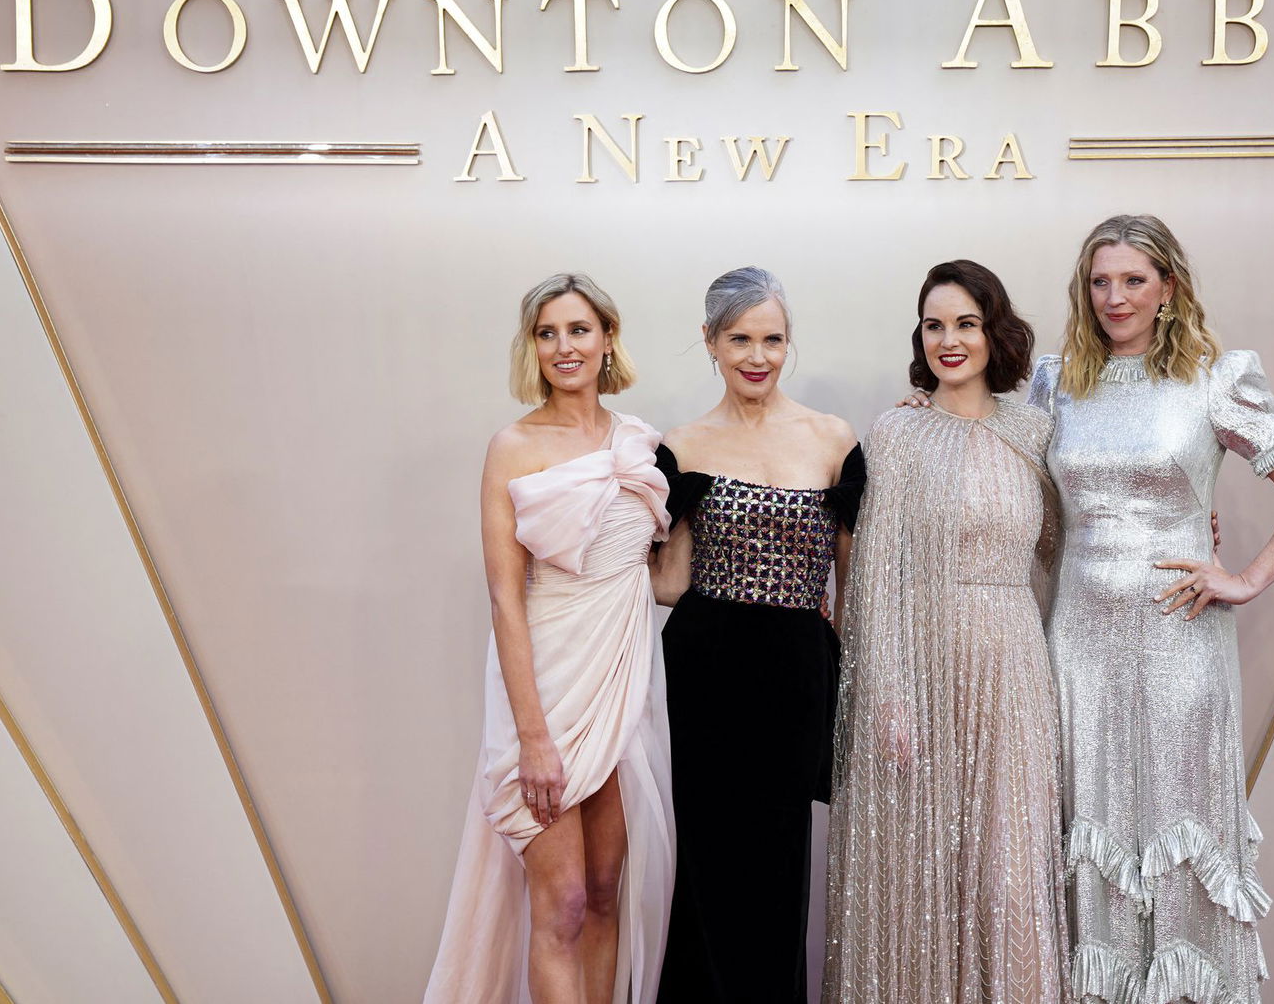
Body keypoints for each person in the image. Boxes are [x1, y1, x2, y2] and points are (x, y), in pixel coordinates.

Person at [1030, 215, 1274, 1004]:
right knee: (1087, 826)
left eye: (1133, 280)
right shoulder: (1055, 383)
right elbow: (1023, 491)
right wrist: (930, 408)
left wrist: (1246, 577)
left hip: (1180, 639)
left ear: (1168, 286)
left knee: (1180, 824)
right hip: (1076, 644)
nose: (1115, 297)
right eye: (1101, 281)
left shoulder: (1214, 380)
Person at [425, 274, 674, 1004]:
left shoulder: (639, 441)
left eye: (578, 329)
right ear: (532, 346)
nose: (564, 346)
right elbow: (505, 599)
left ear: (607, 339)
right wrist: (533, 738)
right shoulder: (512, 446)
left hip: (619, 690)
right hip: (546, 693)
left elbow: (657, 574)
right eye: (547, 332)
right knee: (560, 905)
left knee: (602, 891)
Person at [825, 260, 1069, 1003]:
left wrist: (1185, 524)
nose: (949, 340)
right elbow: (878, 577)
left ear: (995, 331)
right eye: (934, 325)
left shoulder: (1035, 431)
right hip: (924, 671)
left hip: (1015, 674)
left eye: (966, 323)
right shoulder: (897, 433)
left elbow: (1070, 544)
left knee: (1012, 876)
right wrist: (889, 694)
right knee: (924, 876)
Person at [651, 265, 863, 1004]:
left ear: (788, 342)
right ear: (710, 341)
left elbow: (853, 583)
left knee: (779, 867)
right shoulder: (682, 445)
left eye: (772, 339)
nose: (757, 356)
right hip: (703, 670)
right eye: (740, 338)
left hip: (795, 676)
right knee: (704, 867)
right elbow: (668, 584)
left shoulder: (833, 439)